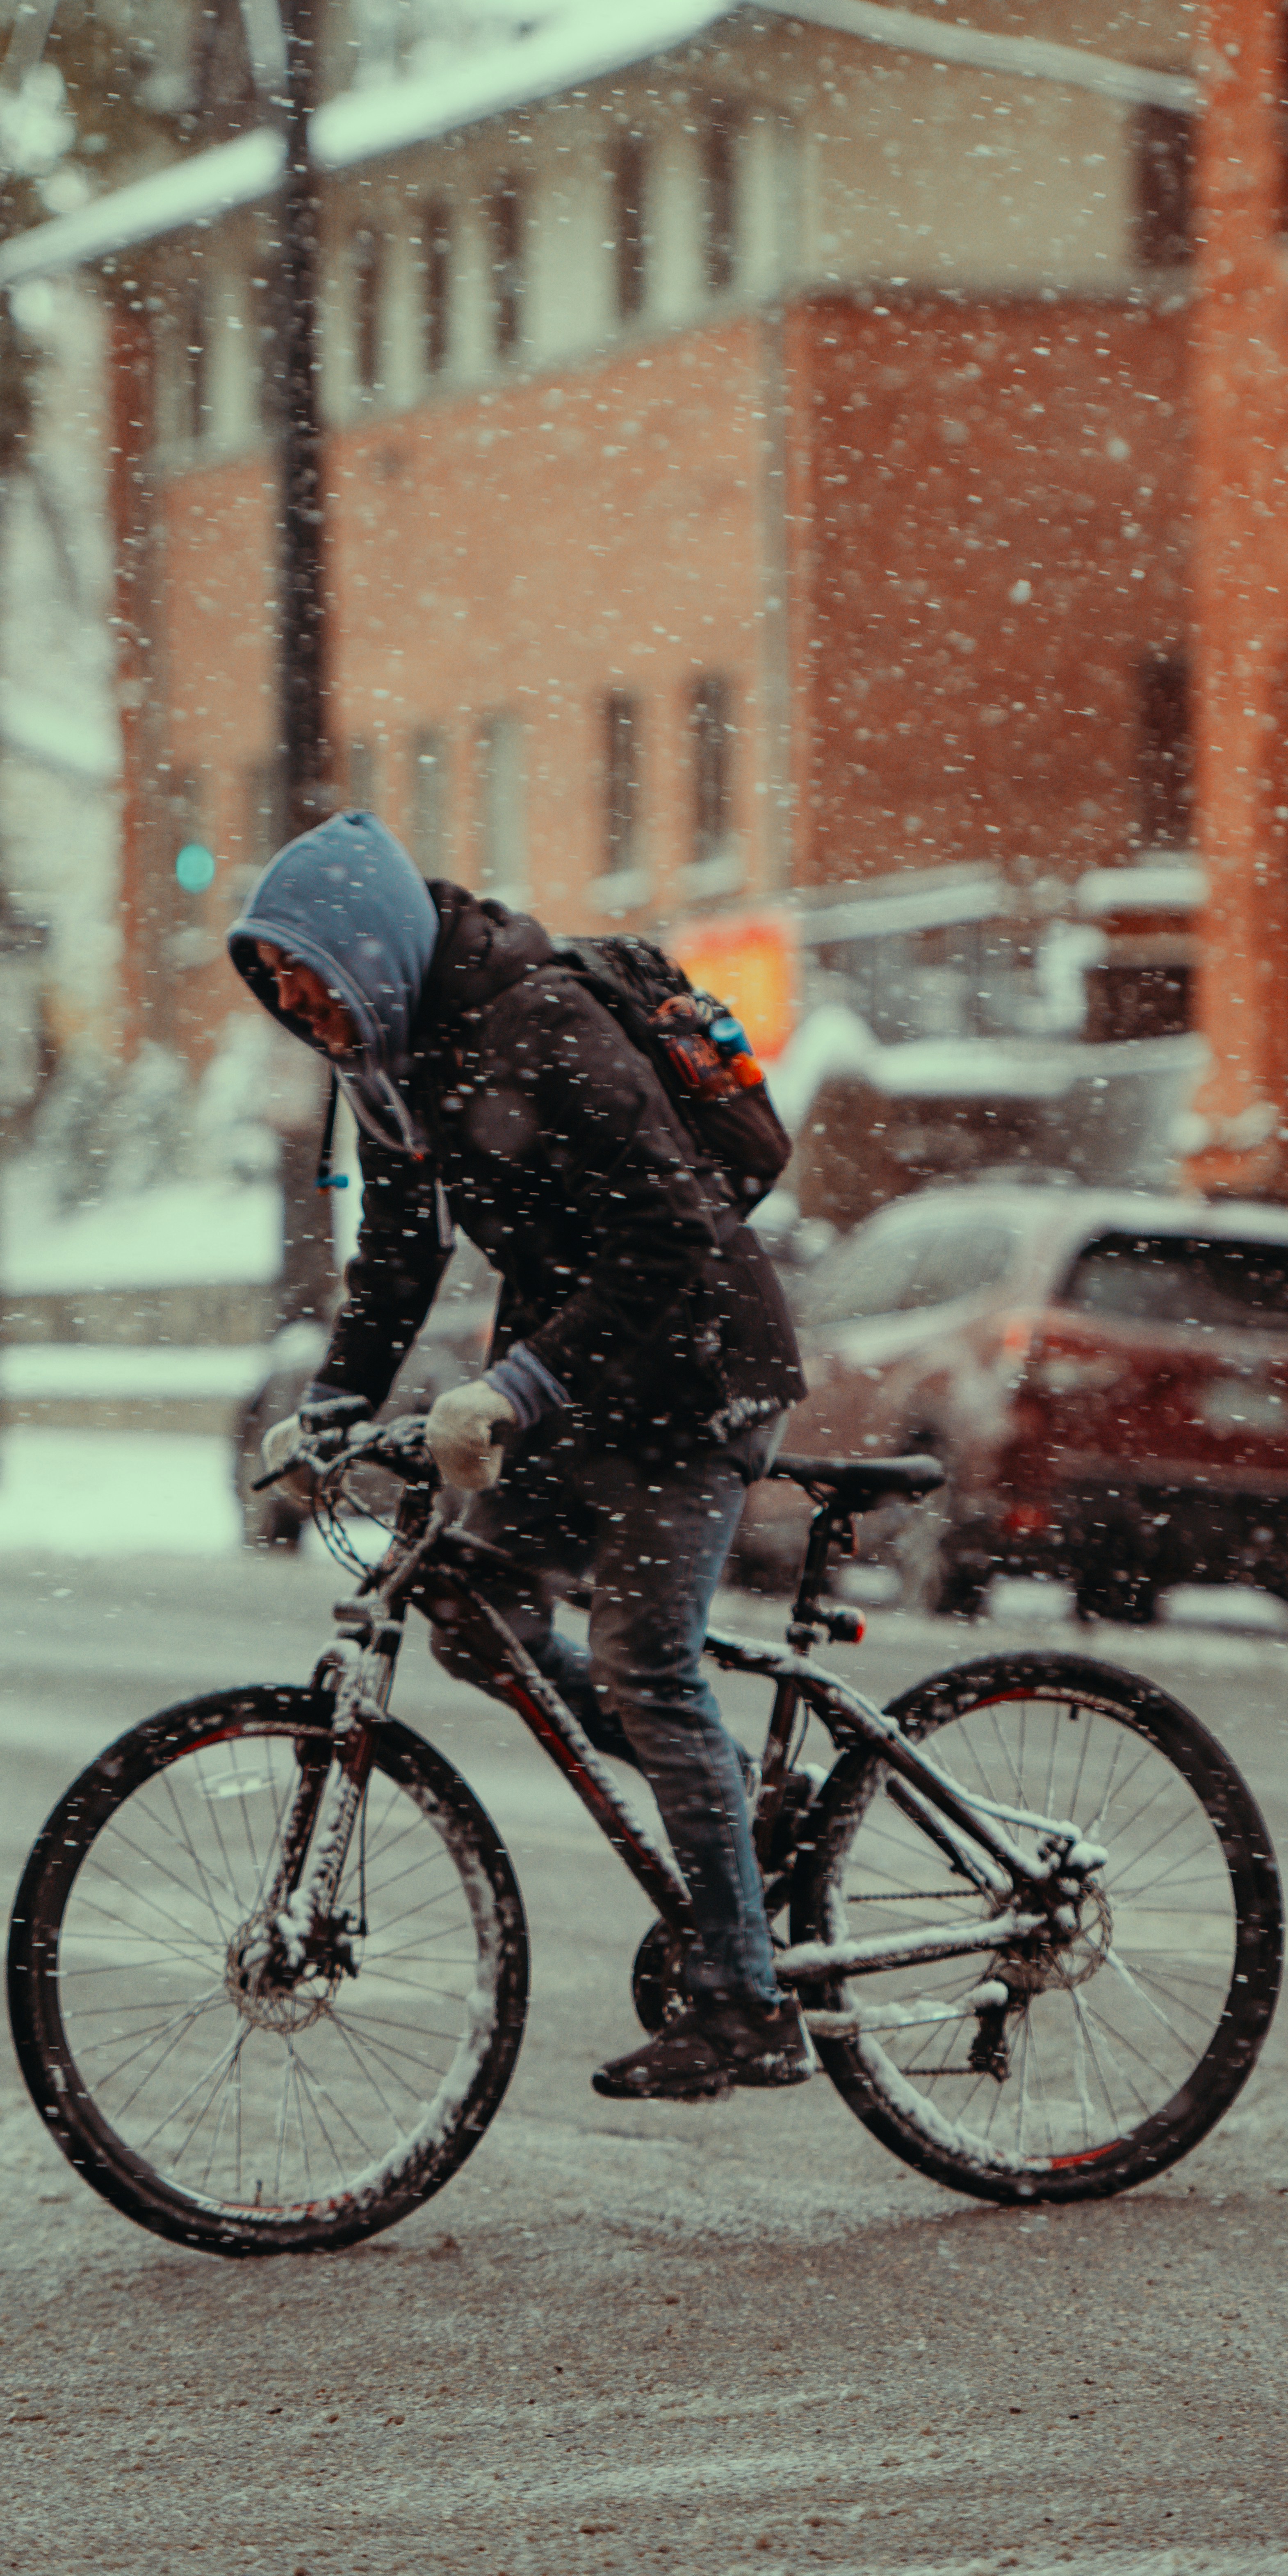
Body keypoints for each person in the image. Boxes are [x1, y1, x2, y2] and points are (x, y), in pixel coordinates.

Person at [229, 806, 812, 2102]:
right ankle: (737, 1799)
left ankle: (746, 2005)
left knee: (643, 1663)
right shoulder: (393, 1059)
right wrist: (330, 1407)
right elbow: (397, 1257)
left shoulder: (541, 1022)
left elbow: (681, 1240)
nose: (299, 1008)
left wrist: (515, 1386)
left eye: (308, 977)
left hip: (699, 1366)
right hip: (586, 1380)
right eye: (277, 990)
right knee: (475, 1618)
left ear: (369, 947)